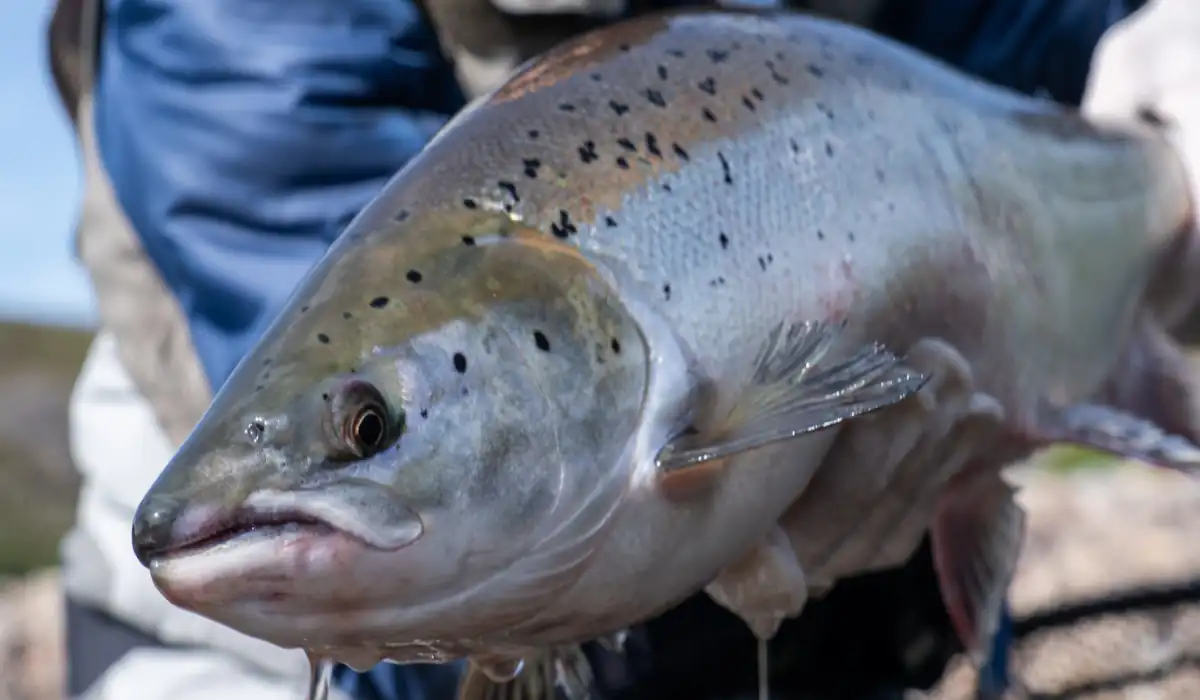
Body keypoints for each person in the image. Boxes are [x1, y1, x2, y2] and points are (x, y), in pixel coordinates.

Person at [46, 0, 1194, 698]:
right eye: (368, 425)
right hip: (246, 649)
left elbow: (1056, 71)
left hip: (819, 616)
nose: (366, 431)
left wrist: (1171, 143)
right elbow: (318, 273)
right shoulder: (242, 35)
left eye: (365, 426)